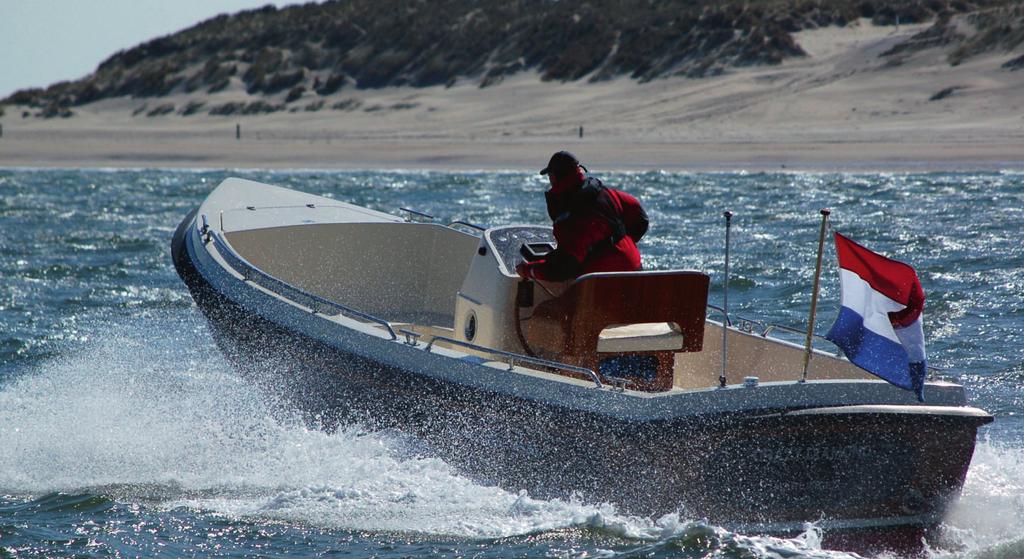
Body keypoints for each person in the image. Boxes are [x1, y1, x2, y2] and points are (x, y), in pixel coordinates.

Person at [516, 151, 648, 282]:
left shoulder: (567, 219)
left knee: (547, 304)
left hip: (601, 281)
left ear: (554, 177)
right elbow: (641, 219)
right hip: (635, 270)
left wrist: (528, 270)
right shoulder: (607, 193)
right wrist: (622, 245)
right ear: (579, 171)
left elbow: (563, 270)